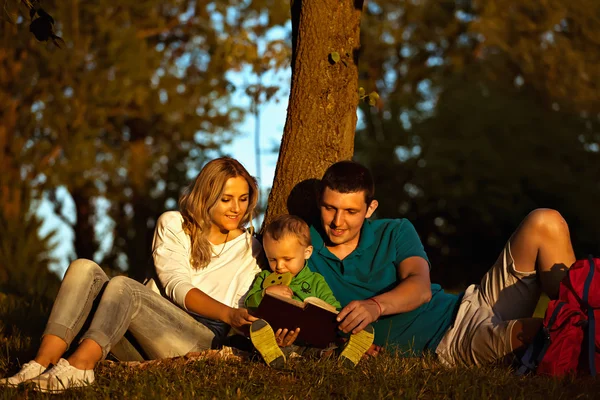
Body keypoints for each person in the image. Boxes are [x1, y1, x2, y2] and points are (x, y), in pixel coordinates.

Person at [0, 157, 263, 392]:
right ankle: (40, 363)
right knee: (83, 268)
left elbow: (244, 306)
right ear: (206, 196)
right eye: (226, 199)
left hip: (200, 339)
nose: (236, 209)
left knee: (125, 286)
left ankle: (80, 366)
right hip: (142, 330)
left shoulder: (252, 249)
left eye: (243, 199)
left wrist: (233, 316)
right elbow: (175, 285)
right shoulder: (174, 224)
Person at [307, 160, 575, 366]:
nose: (337, 222)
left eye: (350, 211)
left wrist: (375, 306)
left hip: (472, 302)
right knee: (549, 334)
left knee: (545, 221)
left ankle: (587, 316)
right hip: (450, 341)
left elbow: (420, 287)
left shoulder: (395, 230)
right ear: (320, 202)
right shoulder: (304, 251)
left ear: (370, 208)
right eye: (330, 208)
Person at [244, 215, 375, 368]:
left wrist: (328, 313)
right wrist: (266, 292)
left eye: (287, 259)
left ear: (307, 252)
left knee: (324, 349)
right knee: (265, 339)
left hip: (311, 340)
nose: (279, 266)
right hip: (277, 336)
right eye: (272, 259)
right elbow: (250, 302)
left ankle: (344, 355)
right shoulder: (265, 277)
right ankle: (273, 353)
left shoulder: (316, 281)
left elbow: (334, 306)